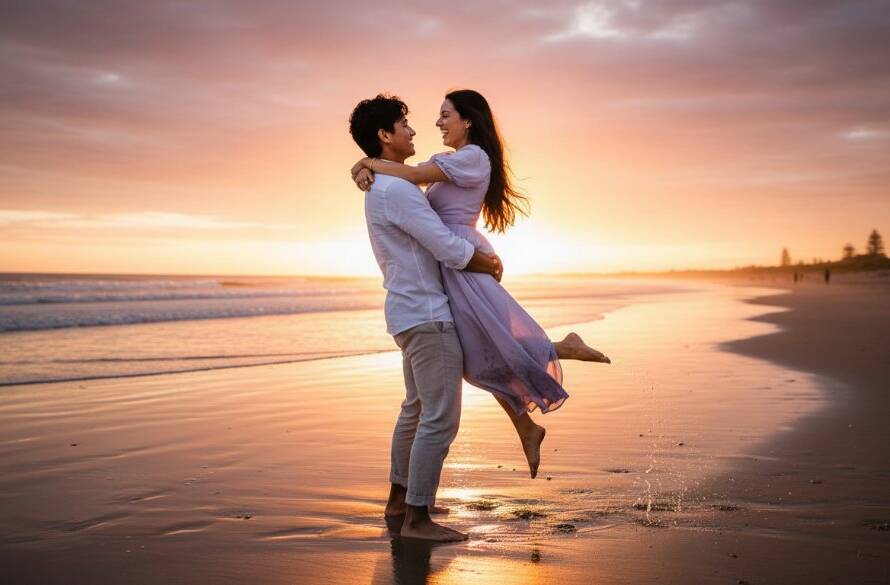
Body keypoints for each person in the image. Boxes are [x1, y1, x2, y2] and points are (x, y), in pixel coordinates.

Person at [351, 89, 610, 480]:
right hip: (452, 260)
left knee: (483, 348)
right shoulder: (448, 163)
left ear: (468, 120)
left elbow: (413, 176)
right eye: (427, 119)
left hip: (462, 257)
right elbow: (409, 177)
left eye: (445, 115)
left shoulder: (472, 158)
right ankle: (530, 415)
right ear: (386, 134)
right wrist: (362, 165)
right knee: (479, 351)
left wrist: (364, 162)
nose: (436, 123)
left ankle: (553, 364)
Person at [348, 95, 503, 542]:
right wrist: (486, 264)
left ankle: (400, 501)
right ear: (385, 136)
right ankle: (418, 517)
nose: (414, 131)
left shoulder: (382, 184)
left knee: (416, 410)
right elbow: (448, 248)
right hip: (428, 316)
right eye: (404, 125)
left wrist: (362, 165)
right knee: (440, 417)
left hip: (407, 312)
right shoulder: (397, 189)